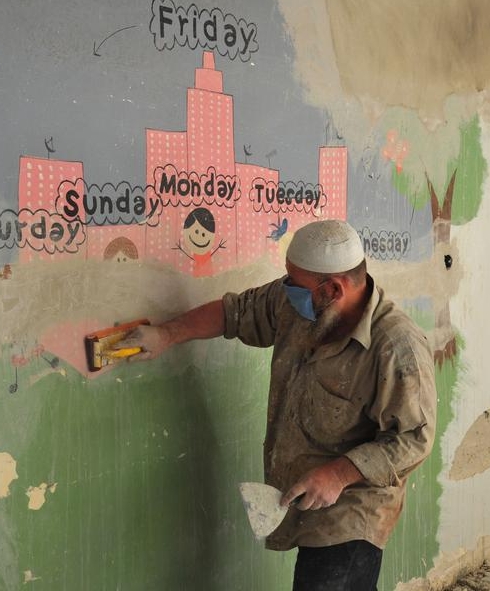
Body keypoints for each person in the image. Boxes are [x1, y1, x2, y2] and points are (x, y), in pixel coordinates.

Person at [118, 219, 437, 591]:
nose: (287, 290)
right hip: (303, 493)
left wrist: (338, 475)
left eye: (295, 283)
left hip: (354, 508)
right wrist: (166, 335)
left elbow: (414, 439)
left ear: (333, 289)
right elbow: (234, 313)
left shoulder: (396, 348)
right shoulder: (299, 304)